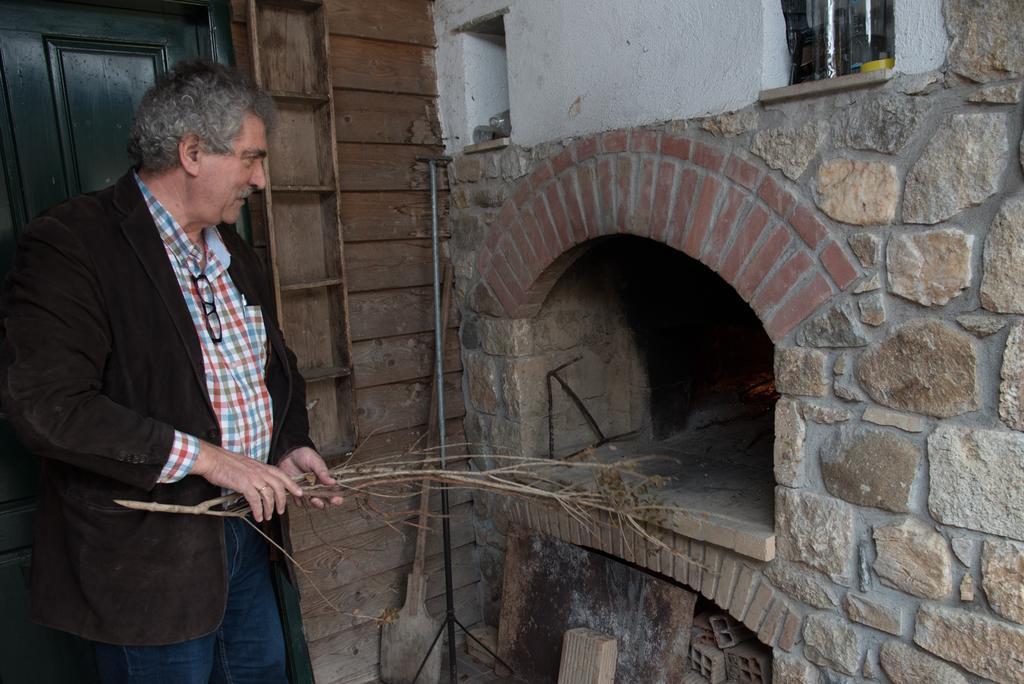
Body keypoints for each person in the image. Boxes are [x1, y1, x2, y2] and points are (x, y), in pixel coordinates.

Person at [0, 60, 340, 683]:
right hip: (148, 557)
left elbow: (274, 366)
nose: (260, 180)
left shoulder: (231, 248)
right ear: (191, 152)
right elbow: (49, 408)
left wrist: (286, 444)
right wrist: (212, 459)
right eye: (251, 158)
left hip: (246, 535)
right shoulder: (73, 244)